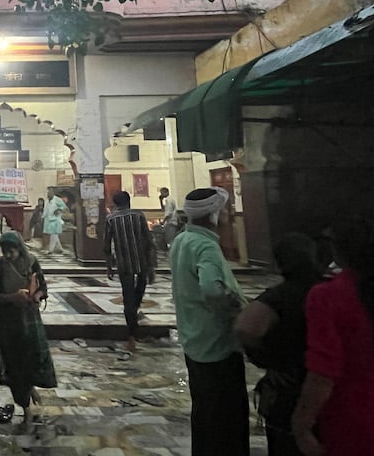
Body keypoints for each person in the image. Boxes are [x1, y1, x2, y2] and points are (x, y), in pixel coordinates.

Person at [291, 216, 374, 456]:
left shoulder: (327, 297)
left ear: (337, 251)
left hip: (354, 421)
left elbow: (323, 373)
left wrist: (301, 425)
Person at [169, 186, 249, 456]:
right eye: (223, 210)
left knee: (204, 413)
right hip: (217, 342)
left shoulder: (182, 240)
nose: (226, 215)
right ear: (213, 215)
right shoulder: (205, 246)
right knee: (226, 418)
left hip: (194, 338)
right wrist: (238, 311)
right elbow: (213, 289)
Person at [234, 233, 322, 456]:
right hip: (333, 383)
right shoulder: (330, 290)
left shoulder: (280, 297)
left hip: (289, 384)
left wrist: (268, 360)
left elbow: (245, 328)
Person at [0, 231, 56, 427]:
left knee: (32, 359)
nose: (8, 255)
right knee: (14, 363)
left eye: (12, 251)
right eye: (5, 252)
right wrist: (12, 297)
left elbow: (43, 287)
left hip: (30, 320)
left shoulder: (31, 262)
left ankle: (29, 390)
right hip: (9, 323)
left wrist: (37, 295)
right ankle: (25, 406)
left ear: (19, 248)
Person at [104, 190, 157, 352]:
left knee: (128, 297)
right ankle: (133, 331)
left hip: (123, 264)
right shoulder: (139, 216)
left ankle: (131, 335)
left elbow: (107, 245)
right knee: (137, 295)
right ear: (128, 201)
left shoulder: (111, 219)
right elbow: (148, 241)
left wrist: (109, 266)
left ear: (115, 203)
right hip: (141, 262)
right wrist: (152, 266)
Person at [43, 187, 67, 255]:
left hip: (56, 220)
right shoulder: (47, 201)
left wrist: (59, 210)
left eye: (50, 192)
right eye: (47, 192)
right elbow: (45, 210)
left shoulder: (57, 199)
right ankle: (60, 249)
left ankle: (50, 250)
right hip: (48, 220)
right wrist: (43, 217)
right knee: (54, 234)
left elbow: (64, 206)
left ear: (53, 193)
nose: (48, 194)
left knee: (54, 235)